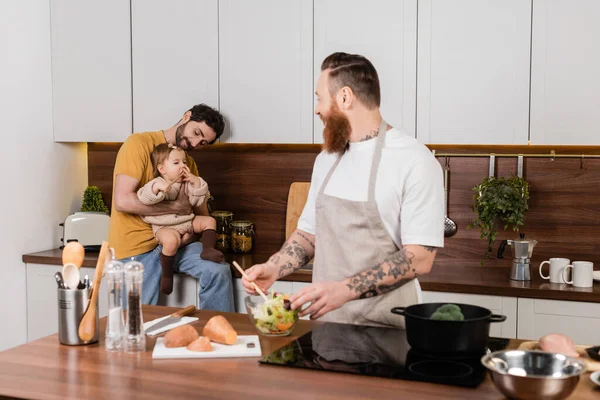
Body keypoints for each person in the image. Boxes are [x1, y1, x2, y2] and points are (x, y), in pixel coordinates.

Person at [242, 53, 444, 327]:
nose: (317, 110)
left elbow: (419, 258)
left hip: (388, 328)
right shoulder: (327, 158)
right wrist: (274, 267)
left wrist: (344, 290)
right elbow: (309, 234)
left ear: (345, 97)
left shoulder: (414, 160)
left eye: (320, 98)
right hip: (328, 324)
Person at [109, 104, 234, 312]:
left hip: (179, 244)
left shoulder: (189, 164)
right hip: (136, 248)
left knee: (218, 272)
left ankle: (218, 338)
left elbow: (201, 213)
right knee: (135, 322)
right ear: (186, 117)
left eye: (203, 142)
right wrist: (175, 207)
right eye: (196, 133)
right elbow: (122, 201)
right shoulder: (138, 144)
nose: (194, 143)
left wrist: (190, 236)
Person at [137, 143, 224, 295]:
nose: (182, 166)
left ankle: (208, 249)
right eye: (176, 163)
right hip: (164, 227)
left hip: (186, 221)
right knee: (171, 241)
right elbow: (144, 198)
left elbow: (197, 201)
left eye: (184, 162)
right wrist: (157, 189)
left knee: (210, 221)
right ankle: (166, 276)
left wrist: (196, 183)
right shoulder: (157, 183)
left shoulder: (187, 183)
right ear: (162, 169)